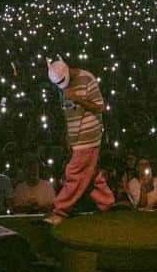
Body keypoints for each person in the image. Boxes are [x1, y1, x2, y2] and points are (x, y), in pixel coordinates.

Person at [42, 58, 115, 225]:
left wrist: (76, 98)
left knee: (74, 172)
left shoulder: (87, 78)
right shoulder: (62, 84)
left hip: (89, 135)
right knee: (89, 174)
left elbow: (100, 107)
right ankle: (107, 203)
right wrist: (69, 137)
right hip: (76, 138)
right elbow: (68, 112)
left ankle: (60, 211)